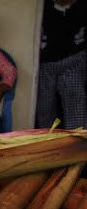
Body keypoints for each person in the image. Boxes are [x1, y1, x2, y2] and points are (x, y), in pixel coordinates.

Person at [36, 0, 86, 130]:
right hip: (45, 65)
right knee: (44, 107)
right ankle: (46, 141)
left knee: (75, 103)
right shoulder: (42, 7)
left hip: (73, 61)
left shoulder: (82, 6)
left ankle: (76, 143)